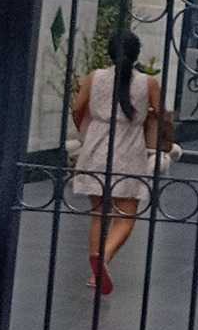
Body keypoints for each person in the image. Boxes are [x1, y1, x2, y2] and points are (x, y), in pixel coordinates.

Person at [71, 31, 170, 298]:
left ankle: (95, 271)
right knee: (126, 216)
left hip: (96, 148)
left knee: (99, 213)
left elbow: (77, 108)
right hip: (129, 151)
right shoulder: (149, 83)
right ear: (136, 54)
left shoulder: (94, 77)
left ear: (110, 52)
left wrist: (86, 131)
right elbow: (162, 116)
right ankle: (103, 259)